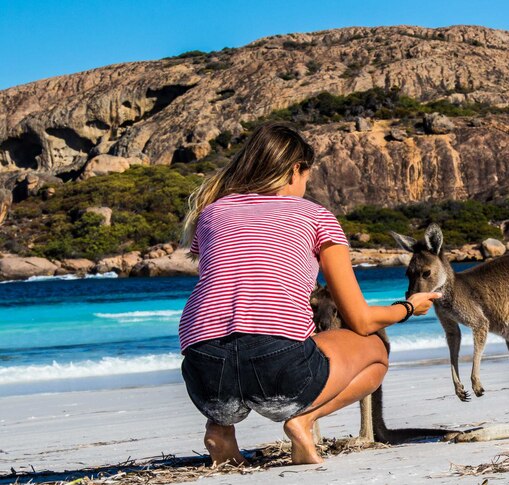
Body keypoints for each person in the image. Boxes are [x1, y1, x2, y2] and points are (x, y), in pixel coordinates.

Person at [177, 121, 442, 466]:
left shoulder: (211, 212)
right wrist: (407, 307)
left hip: (204, 377)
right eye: (306, 177)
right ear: (293, 171)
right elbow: (360, 320)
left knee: (233, 339)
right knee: (377, 350)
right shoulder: (316, 216)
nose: (305, 186)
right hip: (279, 375)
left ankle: (221, 429)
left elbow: (227, 284)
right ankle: (303, 421)